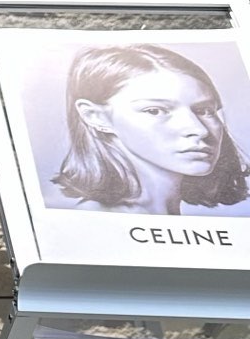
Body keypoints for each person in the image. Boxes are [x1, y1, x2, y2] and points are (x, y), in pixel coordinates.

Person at [52, 44, 249, 215]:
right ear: (95, 116)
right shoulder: (92, 222)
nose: (199, 130)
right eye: (155, 111)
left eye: (204, 110)